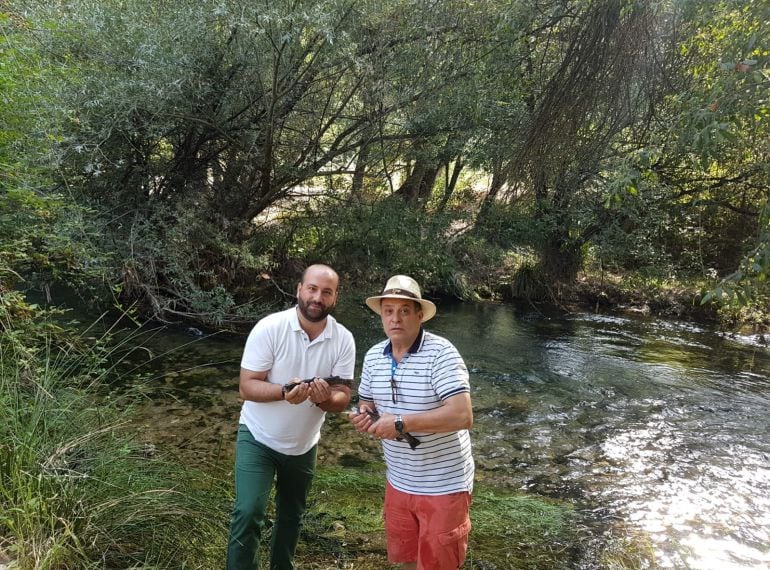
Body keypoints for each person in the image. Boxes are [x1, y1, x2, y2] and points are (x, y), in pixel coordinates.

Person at [226, 264, 355, 570]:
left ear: (335, 297)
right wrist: (284, 392)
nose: (317, 297)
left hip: (303, 446)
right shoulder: (271, 328)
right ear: (299, 289)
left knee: (292, 517)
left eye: (326, 292)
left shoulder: (343, 339)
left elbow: (343, 396)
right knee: (248, 512)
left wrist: (325, 399)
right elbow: (247, 386)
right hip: (258, 438)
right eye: (312, 289)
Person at [350, 275, 474, 570]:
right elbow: (366, 401)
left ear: (420, 315)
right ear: (382, 315)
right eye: (389, 311)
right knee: (406, 560)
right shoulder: (373, 356)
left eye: (404, 310)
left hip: (444, 485)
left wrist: (402, 423)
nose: (396, 319)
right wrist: (366, 416)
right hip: (398, 481)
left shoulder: (442, 353)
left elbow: (462, 415)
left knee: (437, 565)